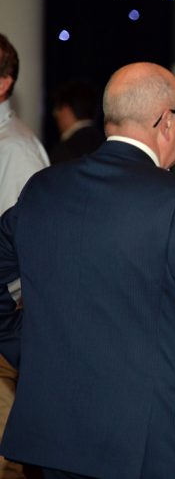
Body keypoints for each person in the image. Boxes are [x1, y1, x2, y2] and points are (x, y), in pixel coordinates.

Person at [0, 62, 175, 479]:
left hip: (58, 435)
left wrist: (25, 344)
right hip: (153, 442)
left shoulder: (43, 189)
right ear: (165, 122)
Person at [0, 32, 50, 479]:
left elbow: (32, 248)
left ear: (3, 83)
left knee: (4, 457)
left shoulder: (15, 149)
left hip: (4, 325)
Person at [48, 80, 105, 164]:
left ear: (66, 109)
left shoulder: (63, 151)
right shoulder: (106, 144)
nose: (55, 114)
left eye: (57, 109)